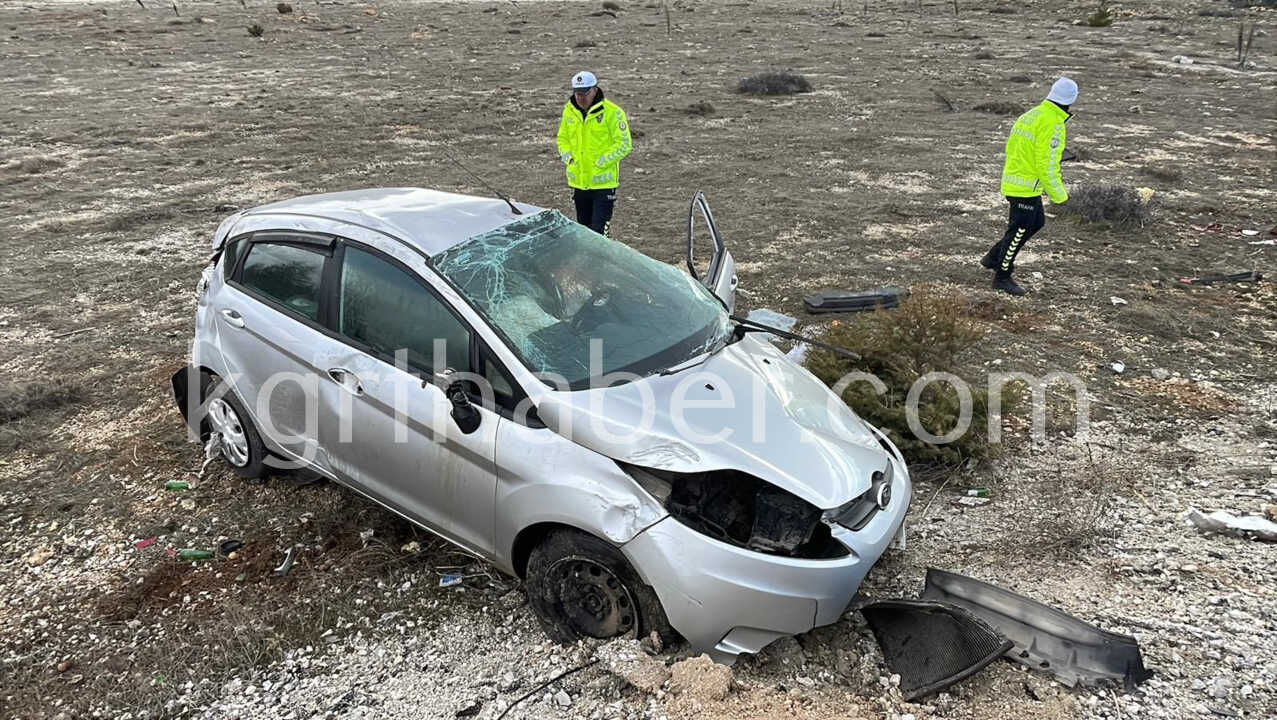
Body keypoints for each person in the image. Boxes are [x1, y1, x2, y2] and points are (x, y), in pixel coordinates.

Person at [980, 77, 1078, 296]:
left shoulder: (1031, 114)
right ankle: (1002, 276)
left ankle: (993, 257)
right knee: (1019, 230)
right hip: (1024, 186)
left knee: (1037, 222)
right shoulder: (1052, 123)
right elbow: (1047, 164)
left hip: (1016, 180)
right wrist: (1060, 196)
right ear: (1071, 100)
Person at [556, 70, 632, 237]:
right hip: (579, 183)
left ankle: (603, 262)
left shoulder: (613, 112)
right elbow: (562, 139)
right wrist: (569, 159)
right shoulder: (569, 111)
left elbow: (624, 144)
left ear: (595, 90)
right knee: (584, 232)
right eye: (577, 93)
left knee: (599, 234)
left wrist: (601, 162)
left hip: (603, 185)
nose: (580, 97)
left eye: (585, 93)